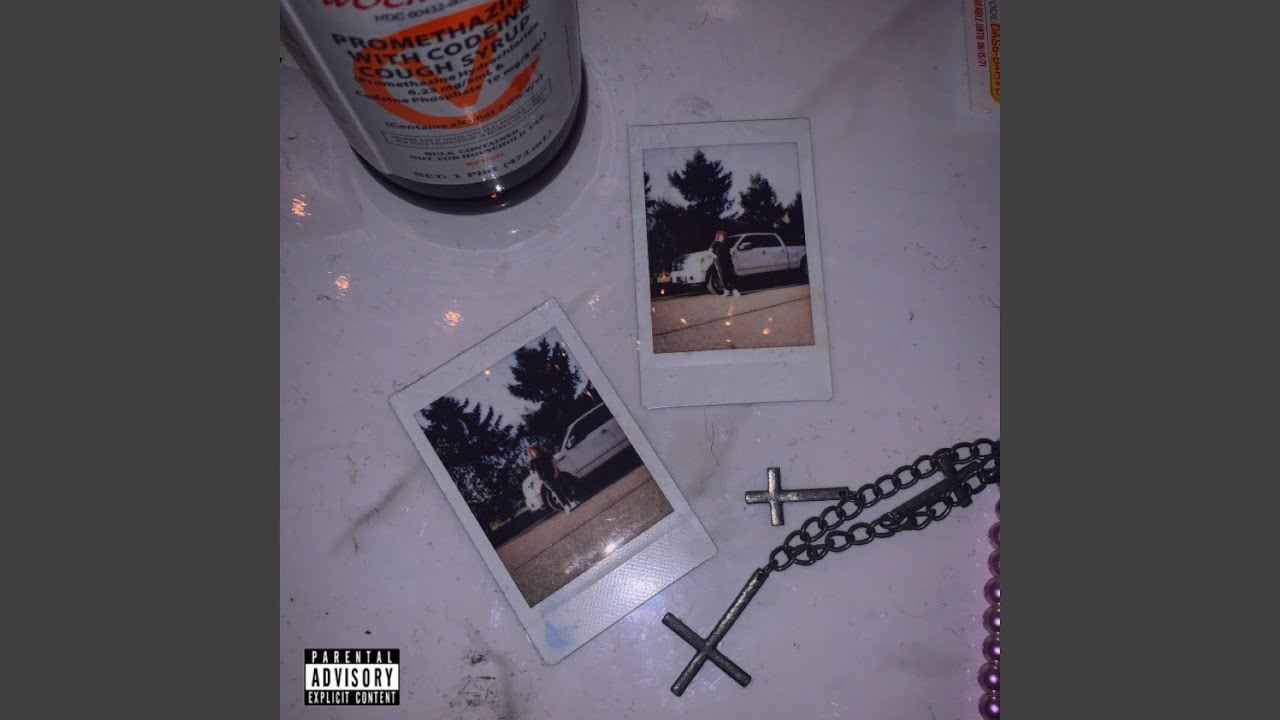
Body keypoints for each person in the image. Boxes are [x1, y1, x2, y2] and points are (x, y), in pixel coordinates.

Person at [526, 445, 579, 511]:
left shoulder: (546, 454)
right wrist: (539, 477)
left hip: (554, 474)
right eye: (532, 452)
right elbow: (532, 471)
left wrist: (556, 472)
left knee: (563, 487)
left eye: (534, 450)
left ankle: (572, 501)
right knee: (556, 491)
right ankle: (565, 505)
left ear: (537, 449)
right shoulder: (533, 461)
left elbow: (554, 462)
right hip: (546, 479)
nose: (534, 452)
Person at [710, 230, 741, 297]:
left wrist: (732, 253)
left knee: (730, 275)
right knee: (722, 276)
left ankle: (734, 290)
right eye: (721, 235)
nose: (722, 237)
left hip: (728, 261)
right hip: (719, 262)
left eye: (723, 235)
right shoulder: (714, 243)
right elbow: (710, 252)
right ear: (718, 236)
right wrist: (715, 256)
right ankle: (726, 290)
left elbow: (729, 251)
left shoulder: (726, 243)